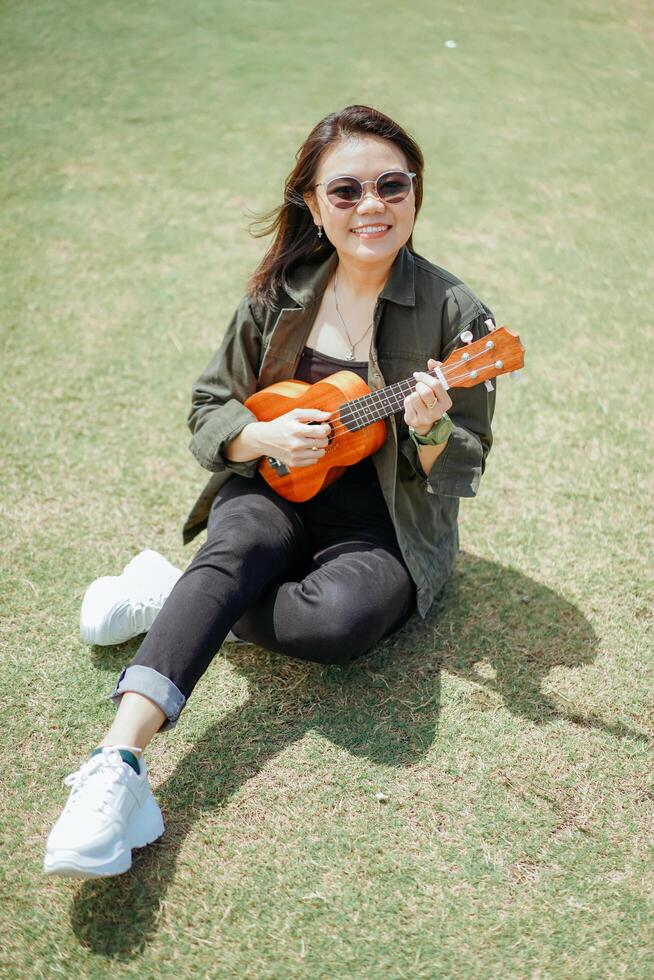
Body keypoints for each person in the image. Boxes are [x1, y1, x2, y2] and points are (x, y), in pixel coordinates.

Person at [44, 105, 496, 878]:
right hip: (273, 491)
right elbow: (207, 407)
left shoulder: (456, 315)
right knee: (243, 542)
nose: (372, 206)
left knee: (340, 624)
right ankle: (118, 768)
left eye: (392, 185)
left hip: (381, 525)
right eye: (346, 191)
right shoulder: (279, 292)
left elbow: (464, 460)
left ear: (415, 195)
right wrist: (259, 438)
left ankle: (179, 594)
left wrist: (426, 428)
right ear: (315, 207)